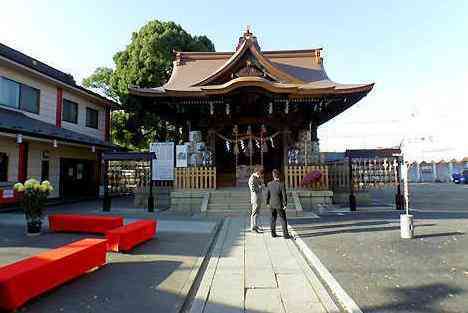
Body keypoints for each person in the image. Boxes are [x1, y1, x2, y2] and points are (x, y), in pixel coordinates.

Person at [266, 169, 291, 239]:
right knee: (283, 219)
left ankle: (273, 234)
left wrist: (267, 202)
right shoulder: (281, 184)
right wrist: (285, 204)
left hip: (271, 204)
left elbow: (267, 195)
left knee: (272, 219)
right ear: (278, 175)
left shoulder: (269, 184)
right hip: (279, 204)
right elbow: (284, 195)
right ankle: (286, 235)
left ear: (273, 176)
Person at [248, 166, 264, 233]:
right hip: (255, 198)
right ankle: (253, 227)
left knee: (258, 212)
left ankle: (256, 225)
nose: (261, 174)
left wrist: (261, 183)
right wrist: (260, 187)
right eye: (260, 173)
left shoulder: (257, 178)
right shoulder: (252, 178)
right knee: (254, 213)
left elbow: (261, 184)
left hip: (259, 197)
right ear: (257, 172)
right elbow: (253, 189)